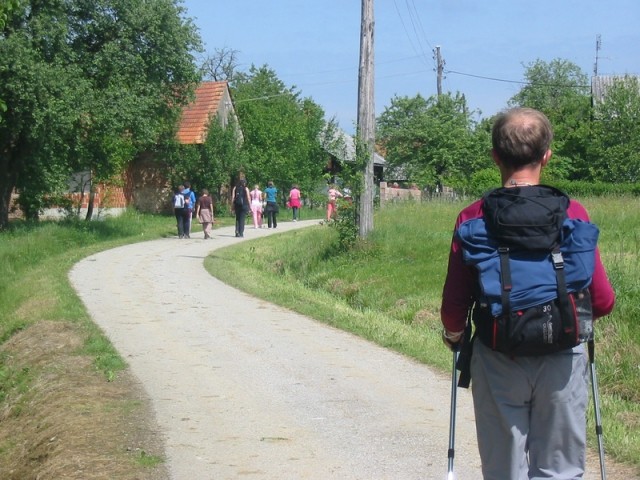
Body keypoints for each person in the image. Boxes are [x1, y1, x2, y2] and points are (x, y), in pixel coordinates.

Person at [440, 108, 616, 480]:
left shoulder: (472, 216)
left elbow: (454, 305)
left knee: (505, 471)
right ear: (546, 155)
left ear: (495, 157)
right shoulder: (574, 212)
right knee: (561, 472)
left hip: (497, 353)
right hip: (562, 356)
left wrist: (454, 336)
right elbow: (601, 301)